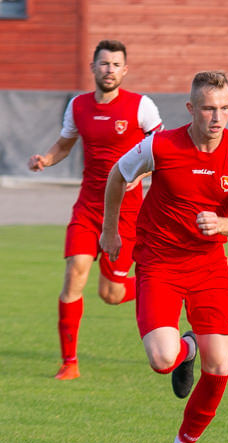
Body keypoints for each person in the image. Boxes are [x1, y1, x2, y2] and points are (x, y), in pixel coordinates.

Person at [101, 71, 228, 443]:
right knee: (161, 358)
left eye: (224, 108)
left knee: (220, 365)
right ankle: (184, 348)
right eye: (208, 108)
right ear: (191, 109)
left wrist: (221, 225)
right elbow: (118, 175)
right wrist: (109, 231)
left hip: (208, 265)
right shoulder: (161, 145)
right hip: (158, 263)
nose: (217, 116)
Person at [28, 39, 163, 380]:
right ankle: (69, 364)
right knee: (75, 273)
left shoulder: (141, 107)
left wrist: (141, 173)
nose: (109, 70)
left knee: (111, 293)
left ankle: (157, 285)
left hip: (126, 213)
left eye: (116, 64)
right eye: (104, 63)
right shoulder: (78, 106)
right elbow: (64, 144)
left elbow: (160, 150)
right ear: (93, 67)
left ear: (125, 70)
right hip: (88, 207)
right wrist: (46, 158)